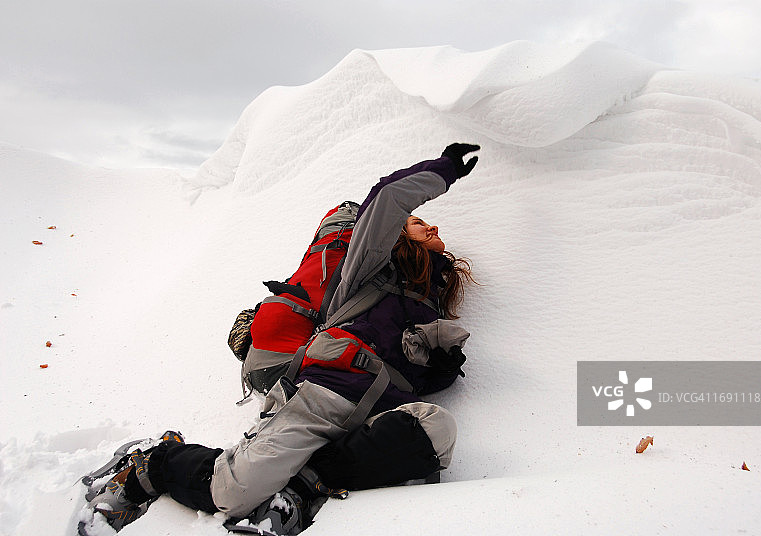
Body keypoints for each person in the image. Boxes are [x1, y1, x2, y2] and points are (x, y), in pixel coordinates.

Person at [80, 143, 480, 535]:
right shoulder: (366, 271)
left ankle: (305, 481)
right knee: (233, 492)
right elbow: (387, 200)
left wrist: (440, 367)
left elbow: (415, 376)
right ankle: (153, 462)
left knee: (438, 429)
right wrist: (444, 169)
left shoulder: (429, 305)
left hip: (376, 416)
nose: (432, 226)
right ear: (396, 238)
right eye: (416, 224)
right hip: (320, 400)